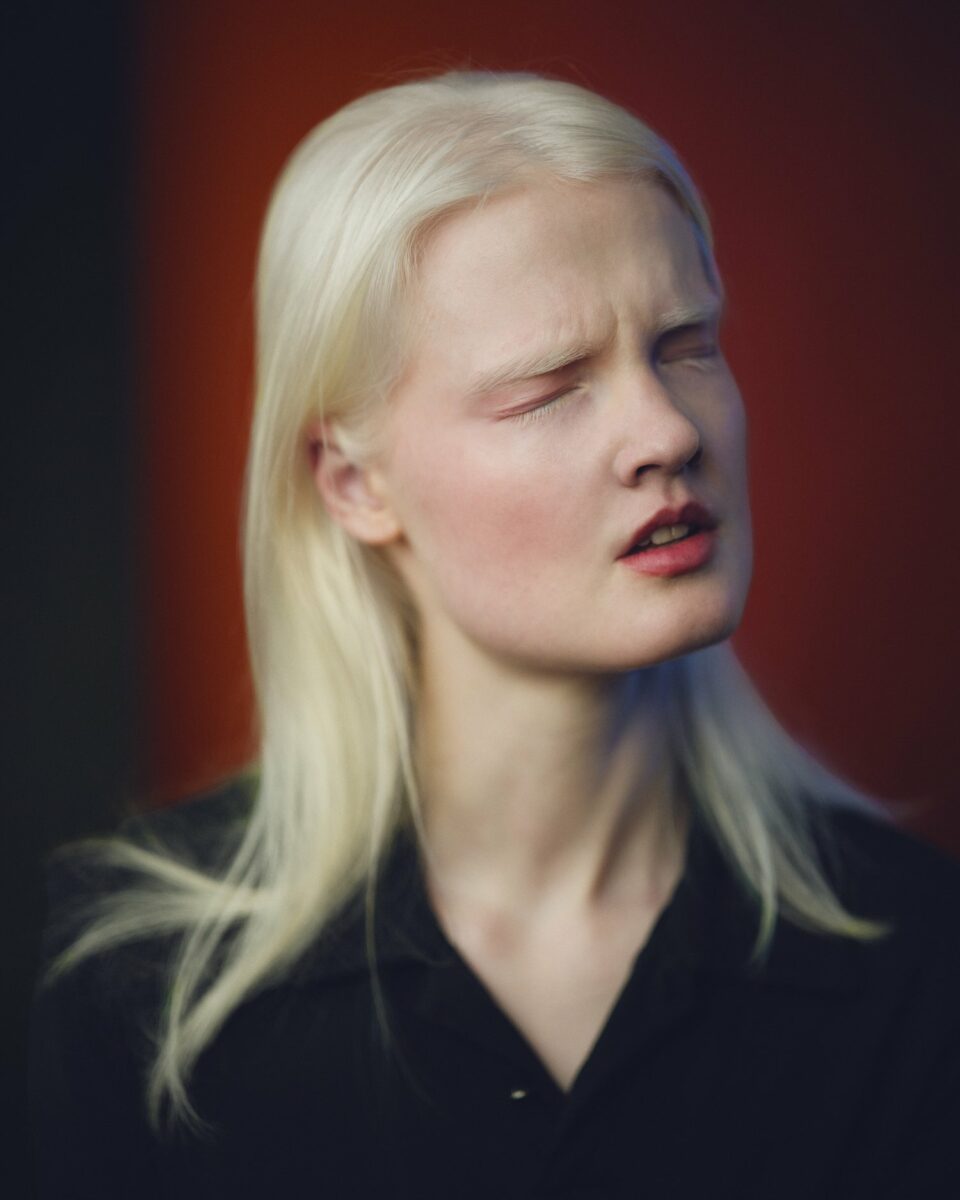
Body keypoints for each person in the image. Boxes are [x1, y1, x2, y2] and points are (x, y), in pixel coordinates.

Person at [29, 68, 960, 1199]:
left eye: (686, 344)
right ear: (355, 483)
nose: (665, 430)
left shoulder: (920, 961)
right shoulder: (127, 984)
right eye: (548, 388)